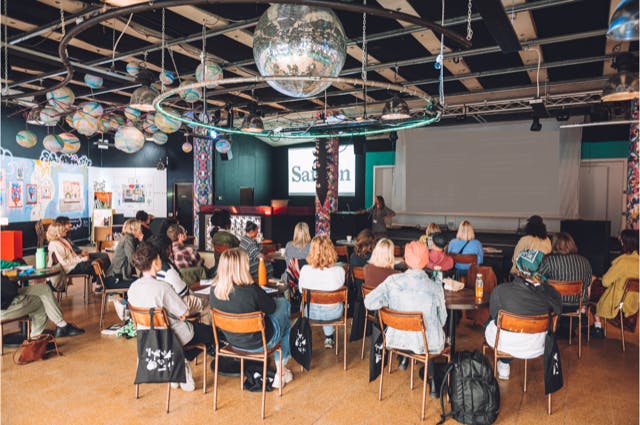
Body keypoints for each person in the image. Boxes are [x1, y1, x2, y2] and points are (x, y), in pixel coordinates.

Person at [127, 242, 214, 392]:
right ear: (155, 262)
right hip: (172, 337)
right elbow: (184, 312)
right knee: (212, 334)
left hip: (147, 339)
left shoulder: (133, 287)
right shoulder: (162, 287)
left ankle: (178, 361)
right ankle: (181, 359)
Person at [210, 248, 293, 389]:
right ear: (242, 267)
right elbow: (271, 308)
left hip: (232, 343)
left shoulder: (214, 291)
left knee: (281, 311)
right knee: (284, 308)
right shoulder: (251, 291)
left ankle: (281, 370)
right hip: (260, 343)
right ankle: (281, 371)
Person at [364, 241, 447, 374]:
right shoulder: (436, 288)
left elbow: (369, 302)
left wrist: (388, 301)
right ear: (426, 261)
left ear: (406, 260)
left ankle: (404, 360)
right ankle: (432, 381)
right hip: (428, 345)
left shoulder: (392, 281)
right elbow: (442, 321)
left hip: (396, 339)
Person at [485, 250, 561, 380]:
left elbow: (495, 316)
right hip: (539, 345)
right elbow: (558, 312)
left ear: (519, 269)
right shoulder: (552, 293)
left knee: (492, 319)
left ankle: (504, 364)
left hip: (507, 344)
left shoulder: (500, 290)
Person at [148, 234, 211, 325]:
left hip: (156, 305)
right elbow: (183, 292)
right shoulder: (167, 270)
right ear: (168, 249)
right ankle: (205, 332)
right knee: (207, 303)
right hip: (172, 306)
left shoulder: (147, 268)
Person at [298, 235, 346, 349]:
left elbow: (301, 291)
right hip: (334, 314)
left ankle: (306, 337)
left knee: (308, 302)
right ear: (331, 250)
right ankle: (329, 337)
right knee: (330, 303)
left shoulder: (305, 270)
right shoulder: (340, 270)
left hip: (310, 313)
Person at [1, 274, 84, 338]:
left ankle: (61, 325)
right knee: (41, 301)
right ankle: (36, 339)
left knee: (43, 288)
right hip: (5, 306)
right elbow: (10, 290)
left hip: (6, 299)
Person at [590, 229, 639, 339]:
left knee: (592, 282)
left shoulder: (623, 262)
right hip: (632, 303)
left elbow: (605, 281)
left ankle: (596, 326)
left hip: (618, 303)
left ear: (623, 243)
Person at [539, 232, 592, 308]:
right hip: (579, 304)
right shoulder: (585, 261)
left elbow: (538, 279)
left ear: (554, 244)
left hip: (556, 304)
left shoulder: (550, 260)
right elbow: (588, 283)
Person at [107, 219, 143, 285]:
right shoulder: (128, 239)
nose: (141, 230)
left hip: (118, 273)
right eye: (139, 228)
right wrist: (145, 266)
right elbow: (132, 259)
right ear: (134, 229)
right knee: (142, 283)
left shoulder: (129, 238)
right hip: (119, 276)